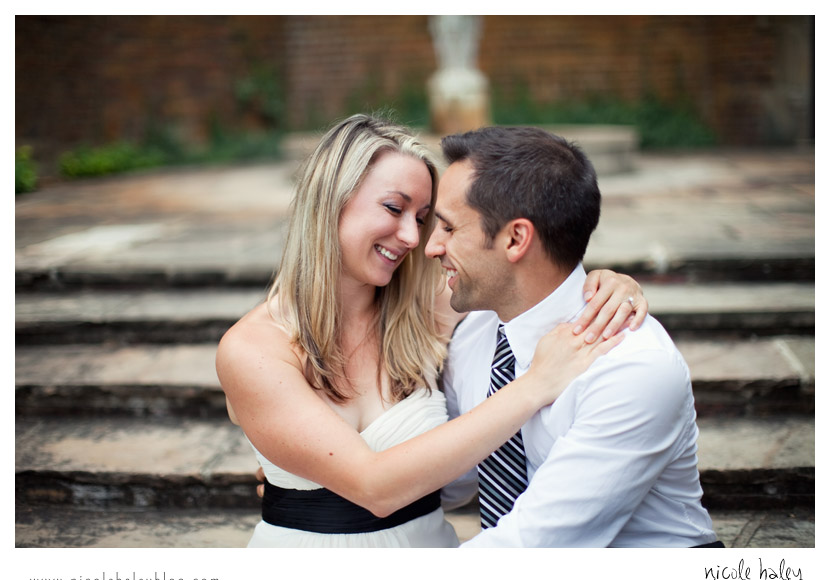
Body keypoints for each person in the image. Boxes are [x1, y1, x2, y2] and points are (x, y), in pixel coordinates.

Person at [215, 114, 647, 547]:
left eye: (423, 218)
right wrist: (535, 385)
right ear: (331, 199)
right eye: (393, 208)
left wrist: (605, 285)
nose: (411, 237)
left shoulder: (428, 309)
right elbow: (373, 486)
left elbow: (529, 282)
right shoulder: (254, 348)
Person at [428, 125, 720, 547]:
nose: (431, 247)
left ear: (516, 238)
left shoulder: (632, 367)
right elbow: (450, 481)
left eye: (449, 228)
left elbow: (531, 550)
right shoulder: (476, 332)